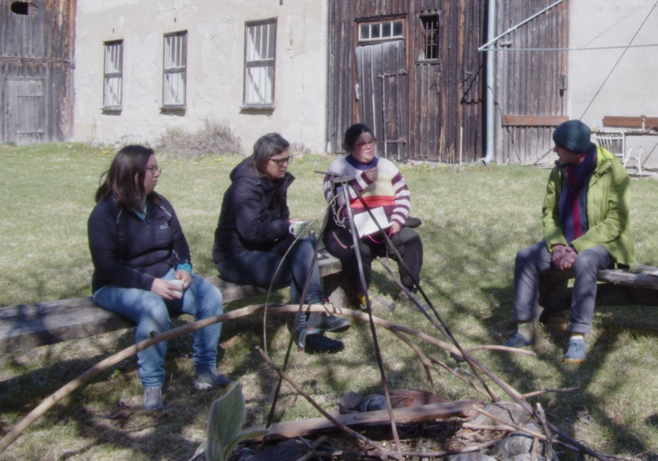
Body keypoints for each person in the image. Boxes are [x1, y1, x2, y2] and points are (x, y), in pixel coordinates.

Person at [87, 145, 230, 412]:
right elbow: (106, 266)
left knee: (210, 296)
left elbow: (179, 243)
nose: (157, 174)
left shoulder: (160, 205)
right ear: (131, 173)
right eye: (151, 169)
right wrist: (151, 285)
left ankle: (205, 370)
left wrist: (184, 267)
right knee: (154, 308)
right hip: (115, 285)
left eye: (157, 168)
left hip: (162, 276)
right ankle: (152, 385)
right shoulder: (105, 213)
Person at [502, 119, 634, 364]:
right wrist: (558, 245)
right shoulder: (559, 170)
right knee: (525, 257)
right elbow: (550, 213)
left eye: (559, 146)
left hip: (605, 244)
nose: (555, 150)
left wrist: (576, 248)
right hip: (565, 242)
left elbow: (616, 221)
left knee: (585, 261)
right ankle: (524, 330)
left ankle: (577, 336)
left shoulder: (612, 170)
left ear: (574, 150)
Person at [214, 133, 350, 355]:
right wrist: (287, 225)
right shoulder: (243, 188)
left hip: (264, 247)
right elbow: (252, 232)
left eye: (288, 159)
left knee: (305, 245)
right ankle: (308, 333)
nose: (285, 165)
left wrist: (296, 231)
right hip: (236, 257)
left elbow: (278, 221)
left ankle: (316, 311)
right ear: (263, 160)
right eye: (280, 161)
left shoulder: (275, 181)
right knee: (298, 268)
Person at [323, 124, 423, 304]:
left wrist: (397, 220)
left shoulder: (386, 165)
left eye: (371, 142)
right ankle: (363, 295)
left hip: (384, 229)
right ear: (350, 146)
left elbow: (403, 194)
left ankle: (408, 290)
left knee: (411, 240)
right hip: (352, 230)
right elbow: (334, 199)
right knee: (357, 251)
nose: (369, 147)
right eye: (362, 144)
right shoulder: (339, 167)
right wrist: (363, 181)